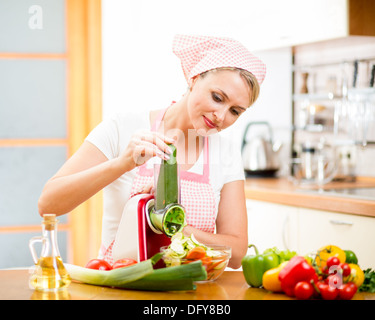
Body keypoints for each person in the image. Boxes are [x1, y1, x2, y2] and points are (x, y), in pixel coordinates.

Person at [38, 34, 266, 269]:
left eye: (235, 111)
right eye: (217, 97)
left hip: (190, 292)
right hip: (119, 286)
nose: (221, 116)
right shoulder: (122, 127)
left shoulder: (226, 153)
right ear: (194, 79)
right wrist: (123, 163)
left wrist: (170, 225)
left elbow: (237, 253)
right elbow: (49, 203)